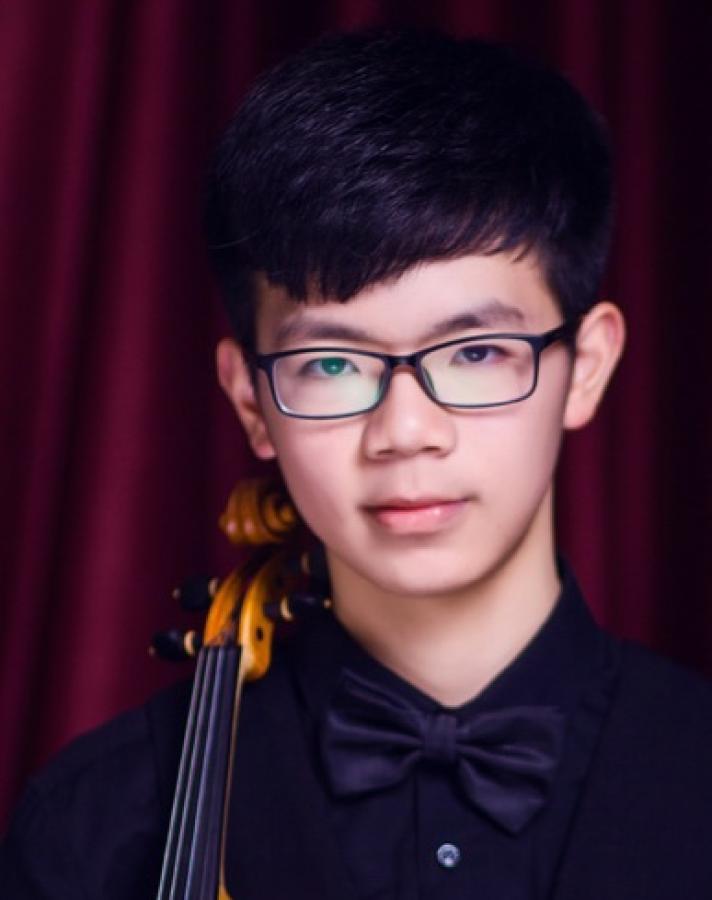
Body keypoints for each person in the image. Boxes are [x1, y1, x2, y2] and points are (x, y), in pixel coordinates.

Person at [2, 27, 712, 900]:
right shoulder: (92, 828)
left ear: (587, 367)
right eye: (333, 364)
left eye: (476, 353)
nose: (405, 431)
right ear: (250, 400)